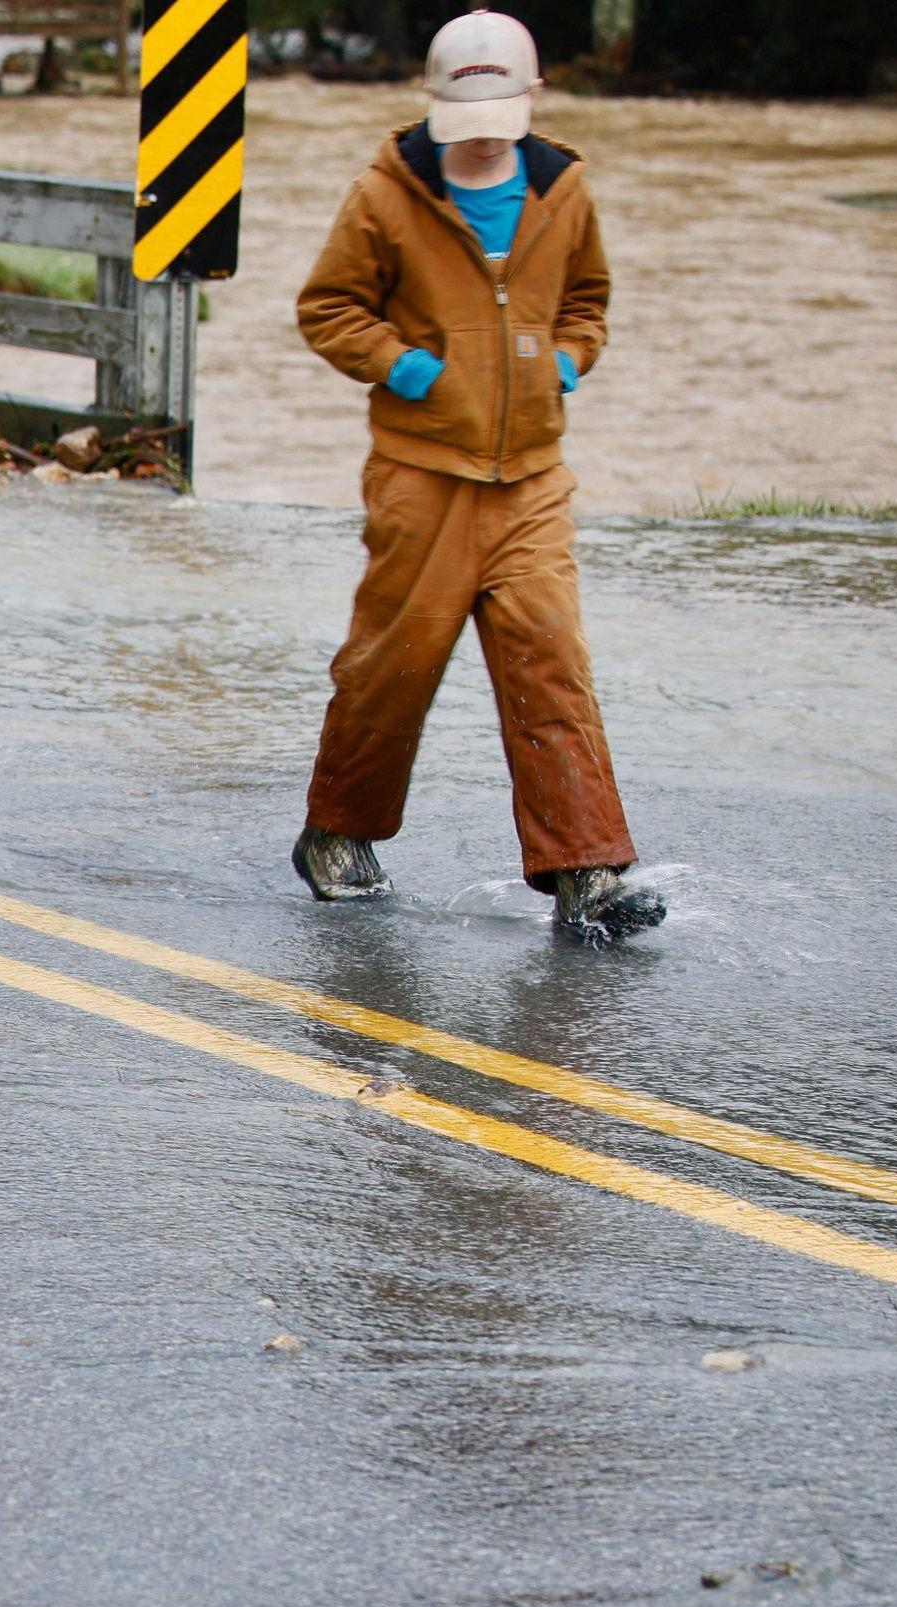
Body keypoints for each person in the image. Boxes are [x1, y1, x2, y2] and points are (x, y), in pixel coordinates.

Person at [292, 9, 660, 942]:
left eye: (504, 110)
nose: (487, 132)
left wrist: (564, 363)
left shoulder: (564, 190)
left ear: (533, 97)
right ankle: (337, 834)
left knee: (552, 665)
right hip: (422, 475)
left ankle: (588, 872)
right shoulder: (385, 193)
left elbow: (589, 300)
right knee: (394, 670)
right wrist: (414, 370)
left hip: (534, 476)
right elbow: (329, 308)